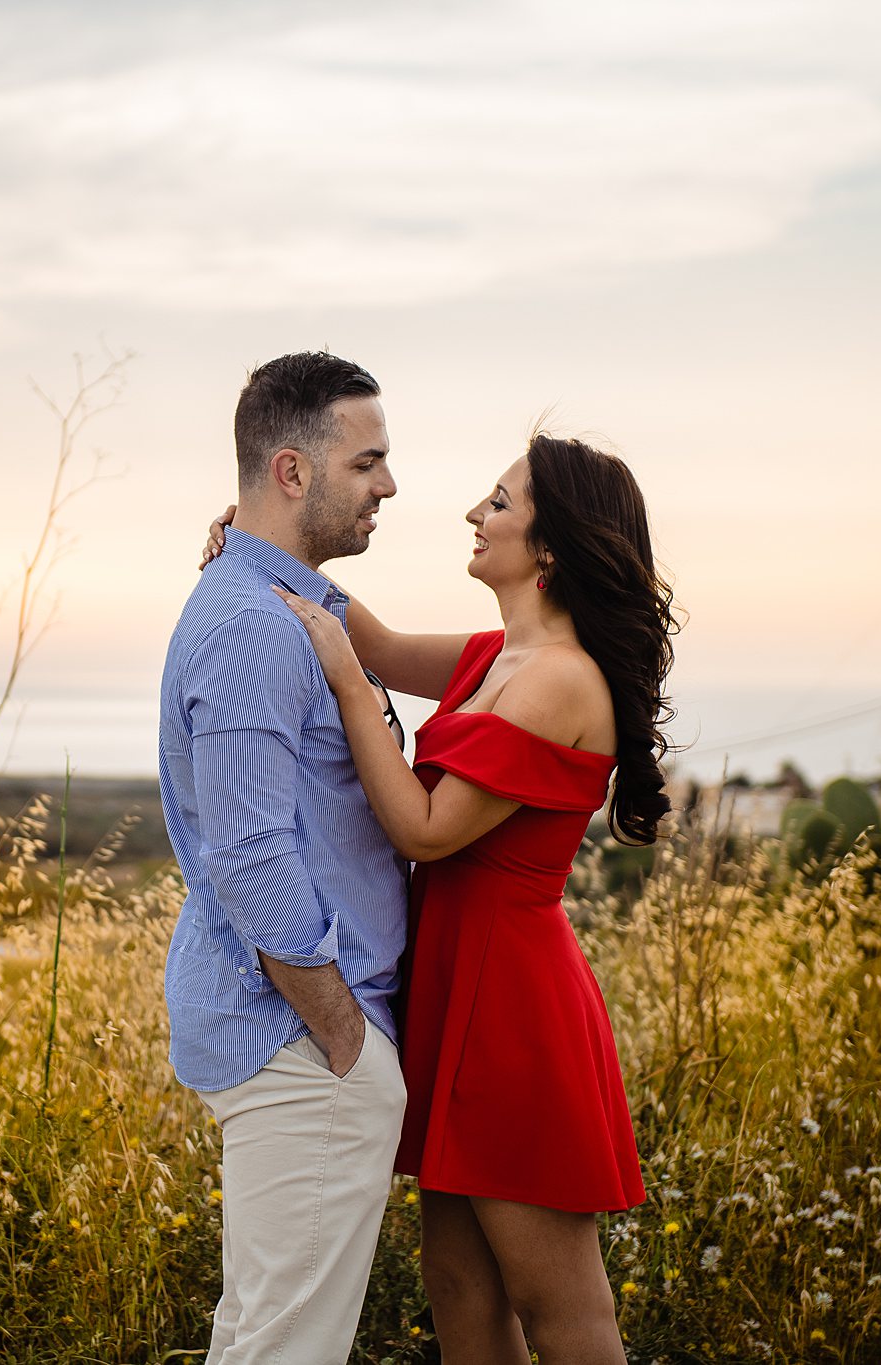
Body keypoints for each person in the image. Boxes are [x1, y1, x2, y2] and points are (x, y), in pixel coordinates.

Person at [202, 432, 674, 1364]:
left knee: (561, 1305)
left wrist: (345, 684)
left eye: (498, 502)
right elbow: (368, 637)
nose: (473, 512)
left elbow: (423, 826)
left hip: (514, 1006)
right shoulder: (498, 658)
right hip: (458, 988)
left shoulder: (560, 681)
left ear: (551, 546)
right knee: (459, 1286)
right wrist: (262, 548)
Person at [159, 351, 411, 1363]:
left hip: (307, 1044)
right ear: (292, 472)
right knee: (282, 1350)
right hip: (304, 1046)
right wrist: (343, 1037)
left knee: (264, 1339)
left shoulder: (284, 605)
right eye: (368, 461)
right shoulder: (258, 628)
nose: (388, 486)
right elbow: (250, 854)